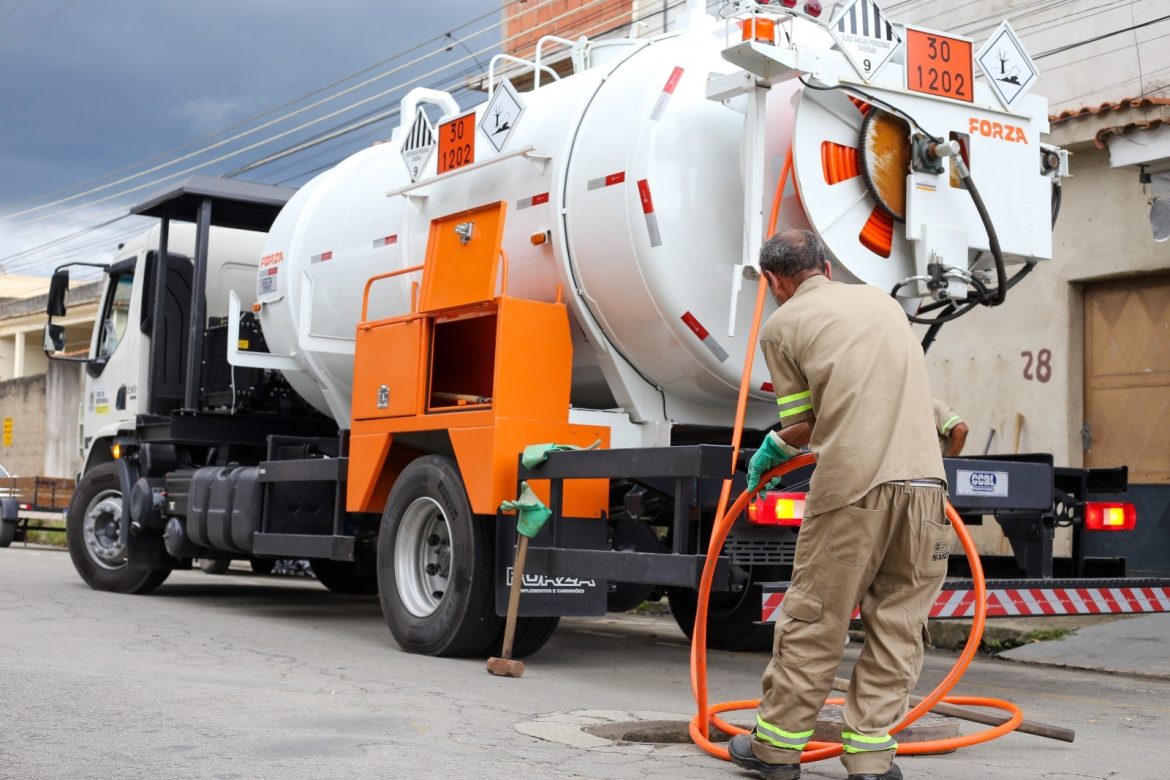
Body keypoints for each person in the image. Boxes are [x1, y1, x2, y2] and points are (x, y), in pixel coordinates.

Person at [730, 229, 950, 780]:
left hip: (854, 488)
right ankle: (871, 761)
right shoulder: (882, 301)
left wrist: (775, 446)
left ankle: (777, 751)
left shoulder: (783, 326)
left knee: (816, 619)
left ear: (775, 281)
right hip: (927, 489)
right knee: (899, 625)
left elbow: (803, 424)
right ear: (825, 267)